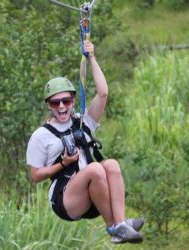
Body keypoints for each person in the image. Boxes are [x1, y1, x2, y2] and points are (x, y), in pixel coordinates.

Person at [26, 40, 144, 244]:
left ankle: (121, 222)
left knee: (111, 165)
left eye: (67, 101)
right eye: (56, 102)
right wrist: (62, 163)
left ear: (72, 101)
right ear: (49, 105)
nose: (62, 106)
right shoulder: (40, 136)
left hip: (93, 194)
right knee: (96, 169)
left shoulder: (82, 121)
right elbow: (35, 176)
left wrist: (92, 57)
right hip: (66, 199)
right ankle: (114, 228)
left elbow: (103, 93)